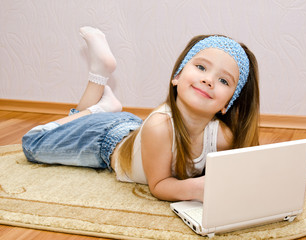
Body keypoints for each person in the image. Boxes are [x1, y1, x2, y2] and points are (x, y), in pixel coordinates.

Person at [22, 27, 260, 202]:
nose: (208, 79)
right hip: (104, 142)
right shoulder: (160, 126)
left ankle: (104, 107)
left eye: (223, 80)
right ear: (176, 76)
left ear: (227, 104)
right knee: (32, 141)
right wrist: (197, 188)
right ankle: (98, 88)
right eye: (200, 67)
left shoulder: (223, 136)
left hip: (133, 131)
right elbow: (159, 185)